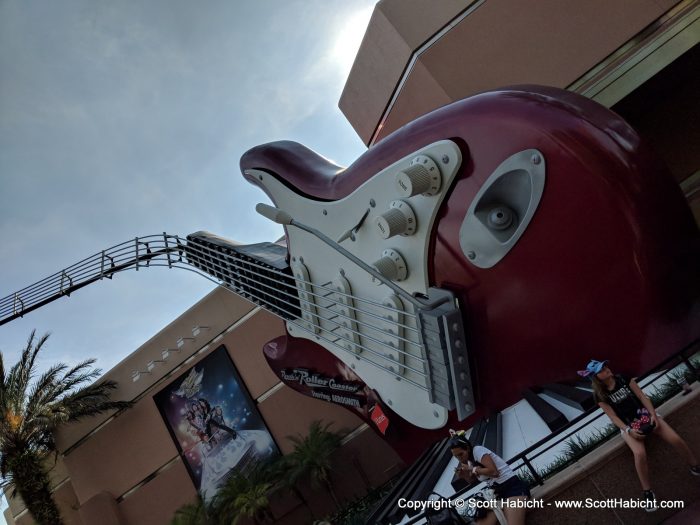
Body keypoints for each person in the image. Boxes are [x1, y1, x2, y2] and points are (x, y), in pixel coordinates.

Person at [579, 359, 700, 511]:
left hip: (647, 416)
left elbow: (642, 397)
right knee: (639, 453)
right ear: (596, 377)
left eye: (605, 366)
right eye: (601, 370)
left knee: (675, 439)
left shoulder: (623, 378)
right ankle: (647, 492)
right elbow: (613, 417)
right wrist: (629, 430)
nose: (606, 369)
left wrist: (653, 415)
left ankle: (695, 466)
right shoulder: (600, 395)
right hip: (628, 426)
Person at [450, 431, 529, 525]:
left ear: (467, 448)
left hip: (512, 488)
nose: (459, 458)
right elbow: (473, 481)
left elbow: (494, 472)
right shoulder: (469, 461)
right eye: (456, 456)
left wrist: (472, 468)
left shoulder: (477, 451)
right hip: (496, 494)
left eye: (461, 454)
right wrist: (464, 476)